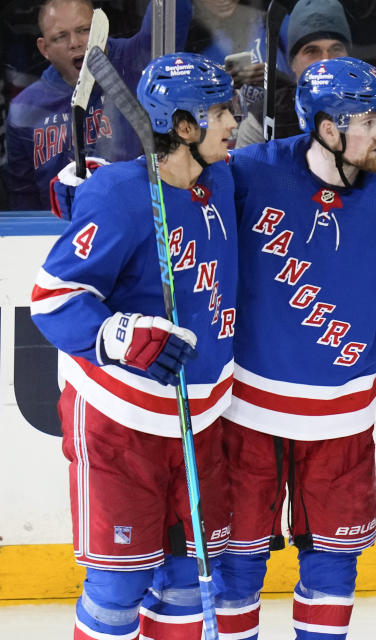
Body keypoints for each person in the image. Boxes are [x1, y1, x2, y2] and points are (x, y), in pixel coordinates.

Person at [214, 57, 376, 640]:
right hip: (247, 411)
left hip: (343, 417)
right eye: (370, 122)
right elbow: (170, 198)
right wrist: (98, 187)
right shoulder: (249, 173)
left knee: (333, 567)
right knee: (237, 567)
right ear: (327, 128)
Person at [29, 52, 238, 640]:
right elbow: (52, 298)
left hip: (201, 418)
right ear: (186, 125)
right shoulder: (122, 195)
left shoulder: (222, 179)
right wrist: (115, 334)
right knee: (118, 586)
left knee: (186, 582)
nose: (234, 123)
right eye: (221, 111)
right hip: (121, 420)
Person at [3, 0, 192, 211]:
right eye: (60, 36)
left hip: (137, 220)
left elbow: (172, 11)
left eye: (84, 30)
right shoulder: (25, 108)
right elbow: (23, 200)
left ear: (102, 27)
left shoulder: (133, 61)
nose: (74, 43)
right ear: (44, 48)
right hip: (60, 232)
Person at [234, 0, 352, 148]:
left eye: (336, 49)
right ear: (293, 64)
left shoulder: (374, 112)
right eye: (312, 51)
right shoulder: (262, 121)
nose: (325, 60)